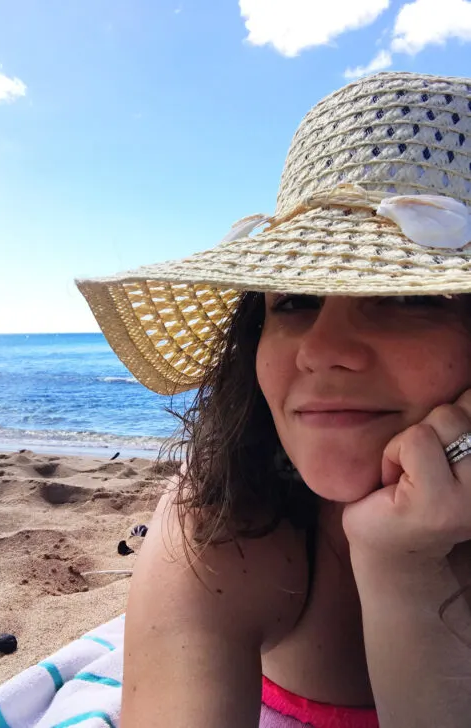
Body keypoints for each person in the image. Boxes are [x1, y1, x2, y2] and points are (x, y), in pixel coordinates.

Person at [77, 71, 471, 727]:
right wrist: (400, 572)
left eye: (406, 297)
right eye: (293, 301)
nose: (321, 348)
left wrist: (406, 581)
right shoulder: (227, 516)